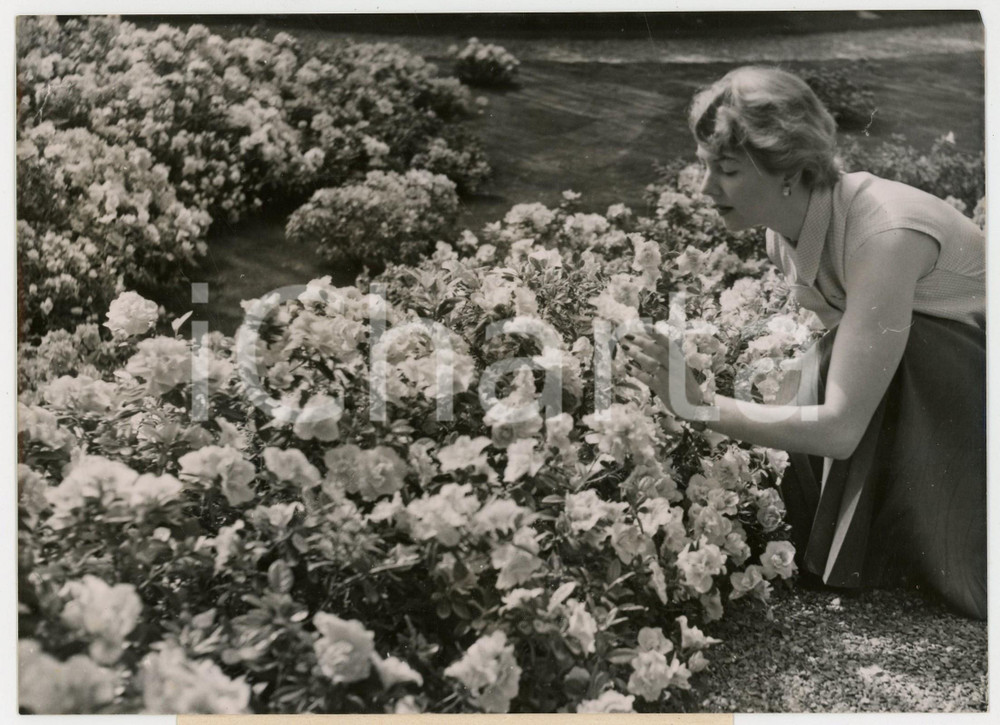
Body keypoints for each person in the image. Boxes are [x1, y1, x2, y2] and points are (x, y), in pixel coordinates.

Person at [622, 66, 986, 620]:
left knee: (875, 357)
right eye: (704, 167)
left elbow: (841, 427)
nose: (705, 189)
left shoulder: (883, 233)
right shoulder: (784, 230)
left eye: (726, 170)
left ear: (789, 171)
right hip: (955, 395)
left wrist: (699, 405)